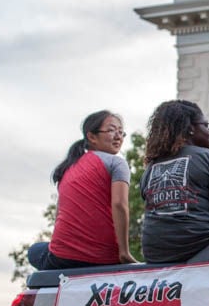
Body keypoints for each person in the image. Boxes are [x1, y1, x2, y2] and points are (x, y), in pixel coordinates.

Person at [140, 100, 209, 263]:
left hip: (156, 256)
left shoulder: (151, 168)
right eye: (206, 125)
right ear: (190, 128)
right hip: (203, 250)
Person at [31, 110, 137, 269]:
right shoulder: (117, 163)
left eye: (121, 132)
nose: (118, 136)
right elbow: (120, 205)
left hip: (63, 259)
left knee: (35, 250)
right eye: (111, 130)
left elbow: (59, 214)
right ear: (92, 136)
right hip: (105, 258)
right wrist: (124, 252)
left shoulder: (68, 168)